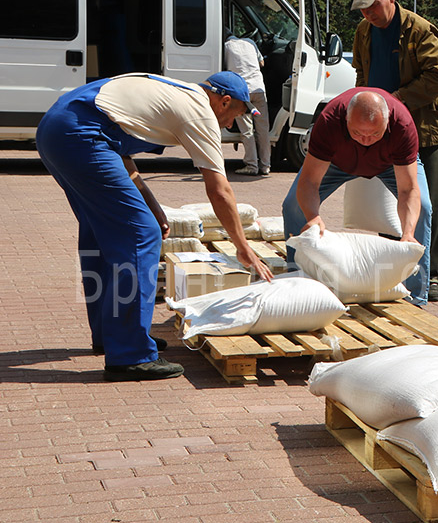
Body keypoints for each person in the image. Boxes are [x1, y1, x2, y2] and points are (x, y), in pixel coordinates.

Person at [36, 71, 274, 382]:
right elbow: (219, 189)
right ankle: (131, 354)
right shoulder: (200, 110)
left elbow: (119, 150)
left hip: (59, 128)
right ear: (224, 101)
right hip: (81, 135)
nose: (230, 125)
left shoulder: (176, 93)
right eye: (235, 116)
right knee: (141, 234)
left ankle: (112, 336)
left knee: (101, 231)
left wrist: (154, 206)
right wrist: (244, 249)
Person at [350, 0, 438, 302]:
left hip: (420, 130)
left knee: (425, 203)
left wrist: (396, 100)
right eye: (362, 8)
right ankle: (395, 267)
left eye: (372, 6)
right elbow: (361, 74)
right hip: (379, 130)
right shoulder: (364, 31)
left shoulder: (419, 30)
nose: (367, 13)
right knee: (389, 204)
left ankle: (431, 272)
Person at [281, 89, 432, 305]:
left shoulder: (403, 124)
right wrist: (312, 216)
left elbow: (408, 190)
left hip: (390, 163)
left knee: (423, 208)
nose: (366, 141)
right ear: (346, 121)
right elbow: (309, 182)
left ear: (387, 123)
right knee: (293, 206)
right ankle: (298, 280)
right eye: (358, 133)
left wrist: (407, 233)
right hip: (337, 162)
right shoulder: (329, 121)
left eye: (375, 134)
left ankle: (414, 296)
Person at [224, 34, 270, 176]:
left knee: (247, 130)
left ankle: (252, 165)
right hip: (258, 89)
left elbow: (223, 67)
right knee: (263, 129)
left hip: (241, 92)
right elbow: (262, 63)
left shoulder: (226, 47)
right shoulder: (250, 42)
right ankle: (265, 166)